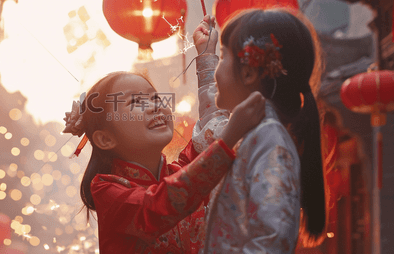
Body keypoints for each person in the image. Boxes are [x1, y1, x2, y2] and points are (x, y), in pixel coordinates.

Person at [62, 65, 266, 251]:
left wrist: (205, 57)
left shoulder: (181, 171)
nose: (154, 106)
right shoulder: (107, 190)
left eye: (155, 98)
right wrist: (229, 137)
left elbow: (211, 129)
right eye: (135, 102)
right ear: (105, 139)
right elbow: (157, 207)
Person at [199, 8, 327, 253]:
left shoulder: (269, 141)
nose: (217, 68)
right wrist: (206, 55)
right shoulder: (256, 134)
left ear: (248, 72)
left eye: (223, 56)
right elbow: (212, 132)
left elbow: (272, 240)